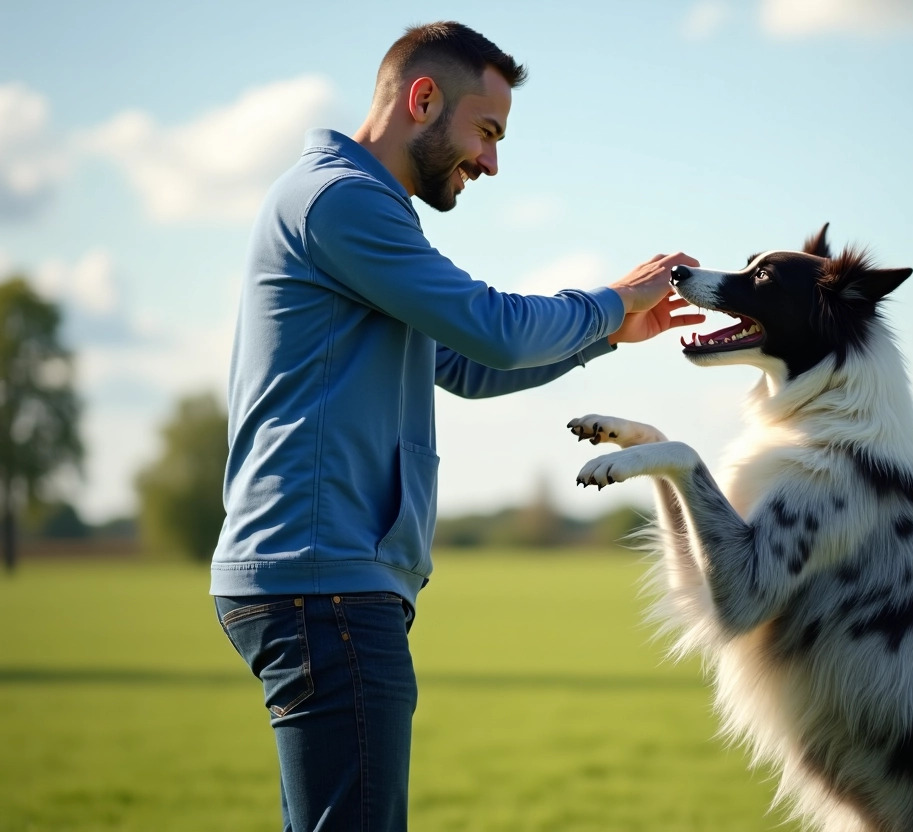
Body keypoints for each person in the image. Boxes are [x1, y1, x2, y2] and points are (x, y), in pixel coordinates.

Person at [209, 20, 703, 832]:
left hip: (320, 577)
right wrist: (616, 298)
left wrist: (606, 336)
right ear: (423, 98)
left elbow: (469, 365)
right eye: (487, 131)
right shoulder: (342, 202)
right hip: (322, 579)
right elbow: (495, 328)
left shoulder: (358, 212)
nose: (492, 161)